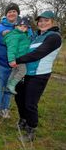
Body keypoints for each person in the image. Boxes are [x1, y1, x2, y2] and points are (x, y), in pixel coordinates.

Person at [14, 11, 62, 142]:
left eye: (46, 20)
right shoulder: (36, 35)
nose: (42, 23)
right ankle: (23, 119)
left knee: (30, 102)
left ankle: (31, 129)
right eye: (40, 21)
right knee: (19, 98)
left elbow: (37, 54)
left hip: (39, 75)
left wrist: (16, 60)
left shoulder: (54, 37)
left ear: (53, 22)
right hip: (25, 73)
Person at [0, 3, 21, 119]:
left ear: (18, 13)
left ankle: (5, 109)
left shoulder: (22, 27)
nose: (12, 14)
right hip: (0, 64)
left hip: (15, 65)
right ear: (6, 14)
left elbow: (28, 41)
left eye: (14, 11)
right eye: (9, 12)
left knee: (9, 87)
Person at [4, 17, 31, 94]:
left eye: (25, 27)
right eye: (20, 26)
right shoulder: (15, 36)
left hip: (20, 57)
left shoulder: (23, 35)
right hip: (18, 58)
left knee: (15, 71)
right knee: (23, 71)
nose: (23, 28)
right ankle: (12, 84)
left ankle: (8, 84)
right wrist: (11, 60)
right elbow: (12, 48)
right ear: (16, 26)